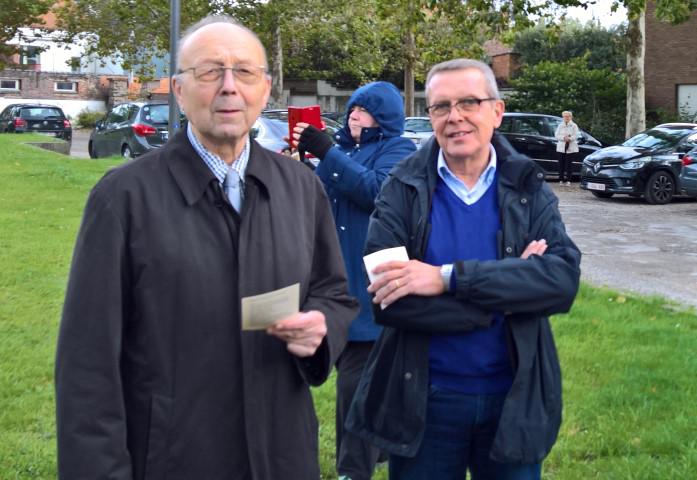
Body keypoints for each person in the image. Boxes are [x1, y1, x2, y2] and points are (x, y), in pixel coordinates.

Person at [55, 16, 358, 480]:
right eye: (210, 71)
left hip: (281, 454)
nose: (229, 87)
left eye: (245, 72)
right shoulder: (124, 198)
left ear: (266, 88)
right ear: (179, 89)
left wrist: (321, 327)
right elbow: (87, 363)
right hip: (174, 457)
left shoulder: (300, 186)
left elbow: (333, 292)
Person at [346, 59, 582, 480]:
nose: (455, 117)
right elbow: (387, 302)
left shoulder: (527, 185)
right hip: (424, 401)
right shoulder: (401, 187)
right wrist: (501, 299)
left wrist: (444, 278)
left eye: (469, 102)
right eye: (441, 106)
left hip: (513, 398)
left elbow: (561, 281)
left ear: (497, 111)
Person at [292, 82, 416, 480]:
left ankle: (353, 470)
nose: (353, 115)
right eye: (352, 109)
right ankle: (373, 447)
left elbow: (376, 192)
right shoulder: (343, 151)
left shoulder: (400, 151)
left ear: (384, 116)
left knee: (355, 388)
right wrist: (299, 169)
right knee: (328, 377)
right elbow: (323, 199)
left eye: (364, 110)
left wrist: (327, 152)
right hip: (329, 283)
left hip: (370, 286)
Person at [554, 110, 579, 186]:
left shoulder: (574, 125)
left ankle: (568, 180)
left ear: (571, 117)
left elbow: (576, 135)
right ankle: (561, 179)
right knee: (561, 164)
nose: (566, 118)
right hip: (561, 146)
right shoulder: (560, 125)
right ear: (563, 117)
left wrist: (570, 138)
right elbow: (556, 135)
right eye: (565, 116)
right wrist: (563, 138)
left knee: (569, 164)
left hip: (570, 147)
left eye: (568, 116)